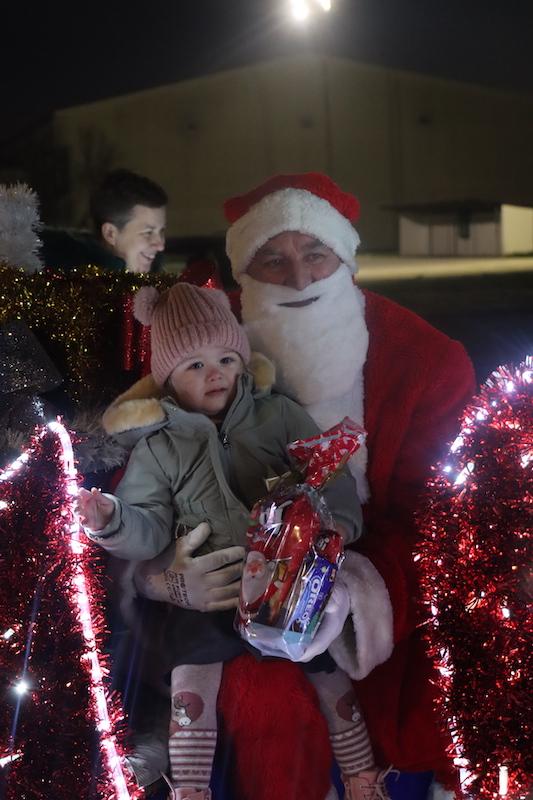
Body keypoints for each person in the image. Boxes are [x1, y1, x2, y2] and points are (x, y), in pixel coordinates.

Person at [200, 172, 476, 800]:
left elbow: (438, 521)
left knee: (434, 705)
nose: (299, 279)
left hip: (385, 588)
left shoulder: (425, 362)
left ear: (345, 259)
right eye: (273, 259)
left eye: (315, 254)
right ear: (245, 272)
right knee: (260, 701)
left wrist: (355, 595)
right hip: (238, 593)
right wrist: (169, 574)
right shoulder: (208, 351)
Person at [75, 282, 386, 800]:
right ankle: (190, 788)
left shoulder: (277, 414)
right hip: (213, 587)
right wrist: (111, 519)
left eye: (225, 358)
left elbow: (330, 477)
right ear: (168, 382)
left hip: (287, 578)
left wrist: (335, 528)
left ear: (243, 361)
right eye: (195, 365)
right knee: (191, 676)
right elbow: (148, 525)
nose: (215, 372)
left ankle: (363, 778)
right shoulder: (160, 446)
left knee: (326, 666)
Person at [40, 168, 167, 274]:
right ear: (110, 233)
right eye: (148, 232)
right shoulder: (66, 292)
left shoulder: (161, 291)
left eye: (161, 231)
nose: (160, 245)